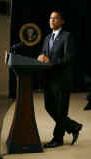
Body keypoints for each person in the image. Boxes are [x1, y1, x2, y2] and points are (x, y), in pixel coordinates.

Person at [37, 10, 83, 148]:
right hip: (49, 80)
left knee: (61, 111)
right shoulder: (46, 38)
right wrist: (40, 58)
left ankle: (58, 139)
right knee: (49, 107)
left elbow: (69, 58)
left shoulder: (67, 36)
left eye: (55, 18)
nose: (52, 20)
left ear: (62, 21)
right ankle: (73, 126)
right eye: (50, 18)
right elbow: (45, 56)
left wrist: (50, 60)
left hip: (62, 80)